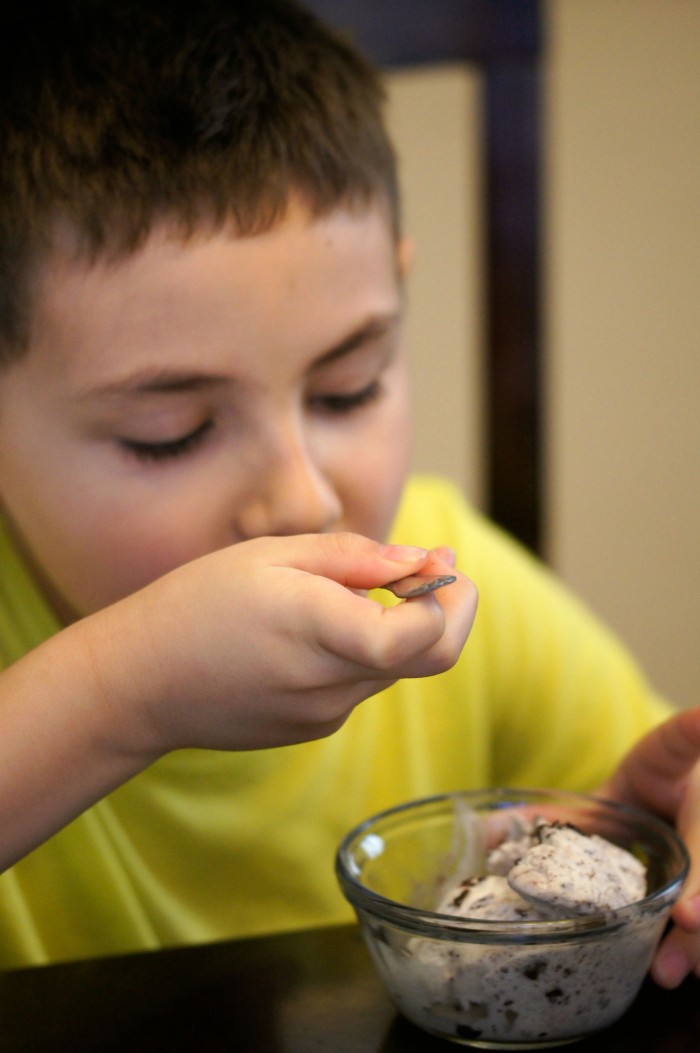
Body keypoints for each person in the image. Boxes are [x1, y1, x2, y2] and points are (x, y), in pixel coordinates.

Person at [0, 0, 698, 986]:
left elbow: (651, 782)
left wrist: (670, 820)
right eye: (171, 434)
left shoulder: (455, 573)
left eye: (349, 387)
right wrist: (127, 695)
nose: (299, 499)